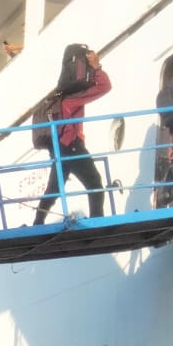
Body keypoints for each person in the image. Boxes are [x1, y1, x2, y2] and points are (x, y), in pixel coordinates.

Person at [33, 44, 112, 224]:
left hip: (58, 148)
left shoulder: (58, 98)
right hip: (72, 146)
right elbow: (105, 87)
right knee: (94, 183)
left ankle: (38, 222)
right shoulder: (72, 98)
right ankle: (97, 223)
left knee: (53, 189)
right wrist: (97, 68)